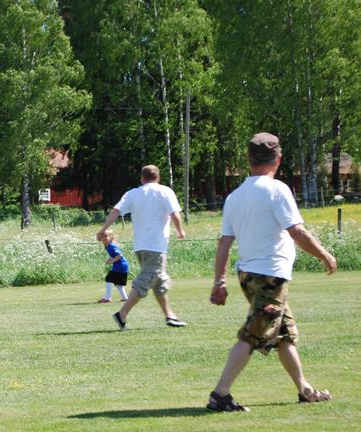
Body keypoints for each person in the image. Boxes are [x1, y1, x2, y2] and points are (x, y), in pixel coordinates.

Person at [206, 133, 337, 412]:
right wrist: (324, 254)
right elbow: (297, 231)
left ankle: (305, 390)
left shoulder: (234, 197)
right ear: (278, 160)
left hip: (249, 277)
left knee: (284, 335)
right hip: (271, 277)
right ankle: (220, 395)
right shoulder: (277, 190)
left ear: (249, 160)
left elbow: (224, 243)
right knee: (252, 335)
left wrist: (219, 281)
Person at [97, 165, 187, 330]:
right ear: (158, 177)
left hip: (140, 246)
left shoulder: (132, 194)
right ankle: (122, 314)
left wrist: (103, 229)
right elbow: (175, 213)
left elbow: (116, 211)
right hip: (156, 245)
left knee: (159, 282)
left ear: (142, 178)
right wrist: (180, 231)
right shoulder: (166, 191)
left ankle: (170, 316)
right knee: (146, 280)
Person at [98, 229, 129, 304]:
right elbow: (114, 255)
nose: (103, 238)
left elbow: (119, 255)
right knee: (118, 283)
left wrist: (112, 261)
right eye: (102, 236)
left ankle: (107, 298)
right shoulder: (108, 246)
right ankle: (125, 298)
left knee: (109, 278)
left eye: (106, 236)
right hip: (122, 266)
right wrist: (109, 259)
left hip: (120, 266)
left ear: (111, 237)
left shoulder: (111, 246)